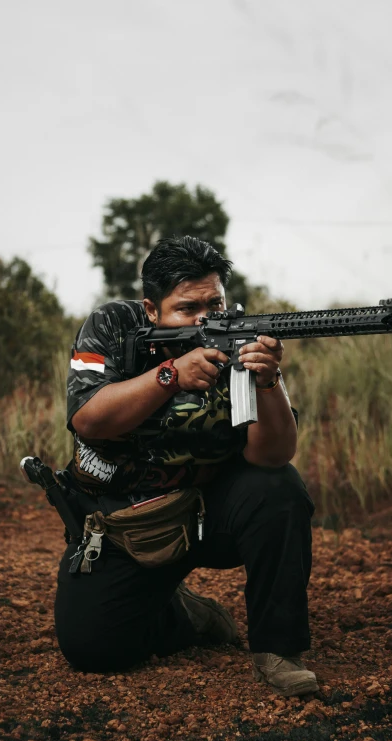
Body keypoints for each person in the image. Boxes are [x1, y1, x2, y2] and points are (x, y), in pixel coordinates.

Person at [54, 235, 318, 697]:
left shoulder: (237, 337)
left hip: (208, 511)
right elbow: (88, 419)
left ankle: (277, 648)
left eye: (213, 303)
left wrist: (268, 381)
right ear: (152, 310)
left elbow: (271, 456)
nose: (204, 319)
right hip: (124, 520)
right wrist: (171, 376)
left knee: (279, 489)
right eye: (187, 308)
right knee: (92, 649)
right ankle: (186, 615)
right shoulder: (113, 327)